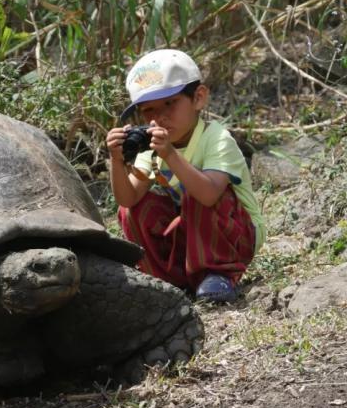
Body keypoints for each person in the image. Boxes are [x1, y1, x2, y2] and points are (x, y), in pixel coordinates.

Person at [106, 49, 265, 302]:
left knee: (197, 193)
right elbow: (128, 199)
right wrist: (116, 160)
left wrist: (170, 155)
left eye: (170, 103)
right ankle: (166, 281)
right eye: (149, 110)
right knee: (134, 210)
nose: (160, 117)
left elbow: (210, 194)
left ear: (198, 98)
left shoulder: (216, 138)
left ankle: (217, 274)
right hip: (194, 238)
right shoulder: (153, 145)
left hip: (236, 236)